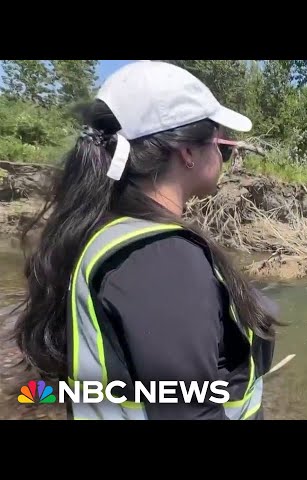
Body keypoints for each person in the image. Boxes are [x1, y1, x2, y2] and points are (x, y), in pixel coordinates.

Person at [12, 61, 284, 420]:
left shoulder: (108, 232)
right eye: (224, 147)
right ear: (187, 152)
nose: (225, 157)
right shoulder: (160, 257)